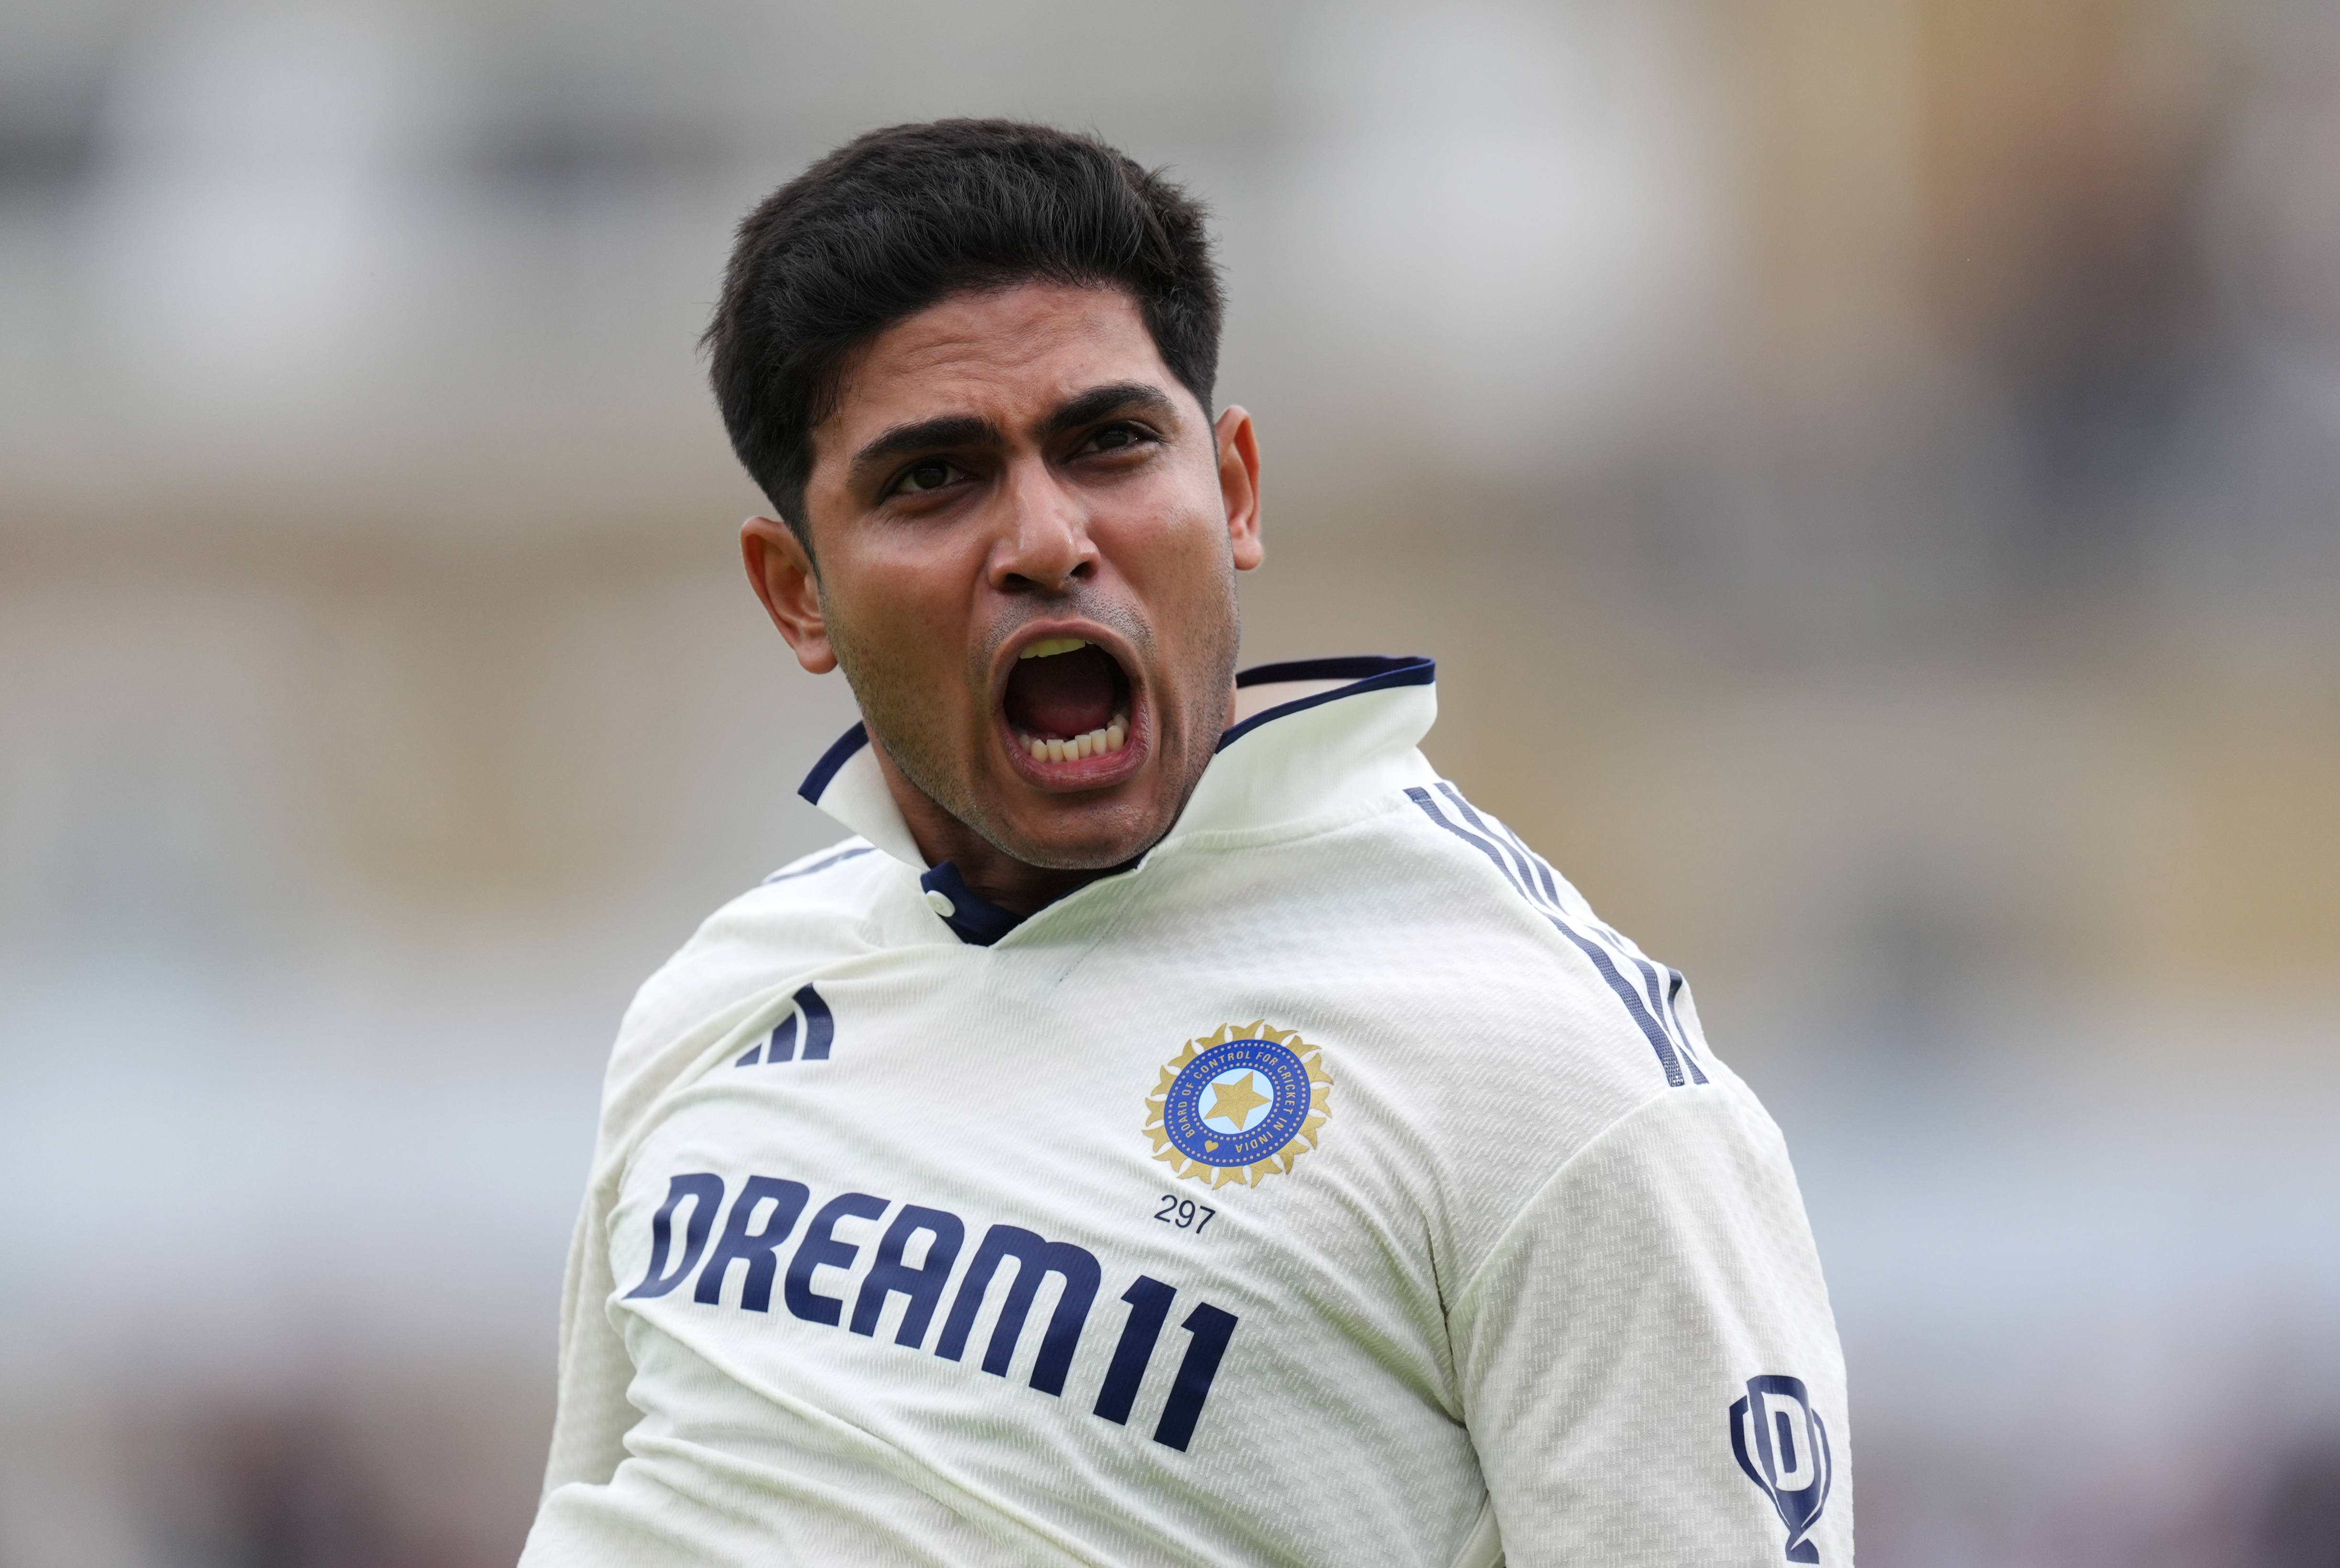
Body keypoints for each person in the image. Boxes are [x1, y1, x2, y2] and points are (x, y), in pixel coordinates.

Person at [519, 119, 1851, 1568]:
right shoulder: (724, 998)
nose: (1043, 537)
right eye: (932, 480)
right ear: (795, 594)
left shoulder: (1546, 1075)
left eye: (1107, 444)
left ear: (1233, 492)